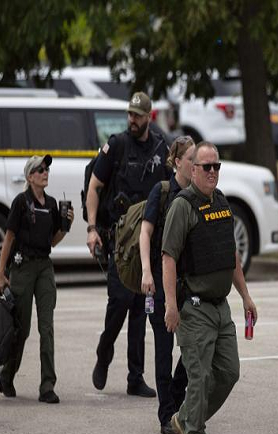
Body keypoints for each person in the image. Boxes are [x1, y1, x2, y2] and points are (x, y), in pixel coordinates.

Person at [162, 142, 257, 434]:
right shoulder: (182, 206)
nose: (213, 172)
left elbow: (229, 254)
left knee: (229, 373)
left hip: (222, 308)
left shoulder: (222, 204)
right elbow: (169, 257)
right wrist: (171, 305)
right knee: (199, 378)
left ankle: (186, 417)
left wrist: (245, 295)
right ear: (192, 170)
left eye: (217, 166)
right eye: (206, 167)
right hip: (194, 308)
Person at [86, 91, 170, 397]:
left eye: (137, 115)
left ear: (149, 116)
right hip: (120, 239)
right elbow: (95, 187)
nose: (132, 120)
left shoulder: (162, 147)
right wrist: (92, 228)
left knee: (142, 307)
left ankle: (135, 376)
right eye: (129, 115)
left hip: (148, 240)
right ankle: (105, 350)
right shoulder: (117, 145)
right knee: (120, 301)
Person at [0, 154, 73, 404]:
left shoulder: (50, 204)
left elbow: (51, 241)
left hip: (44, 266)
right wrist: (0, 273)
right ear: (30, 177)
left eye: (47, 168)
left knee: (46, 327)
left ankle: (47, 385)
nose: (45, 172)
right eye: (40, 169)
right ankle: (7, 374)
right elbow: (9, 237)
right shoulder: (21, 202)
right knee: (22, 328)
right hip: (22, 267)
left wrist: (65, 226)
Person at [139, 136, 194, 434]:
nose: (197, 164)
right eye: (191, 158)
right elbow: (145, 234)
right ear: (177, 162)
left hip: (189, 285)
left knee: (193, 347)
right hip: (160, 285)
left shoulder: (200, 195)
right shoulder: (161, 192)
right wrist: (147, 271)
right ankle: (166, 415)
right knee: (164, 349)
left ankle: (177, 396)